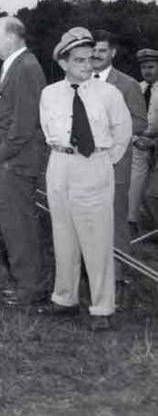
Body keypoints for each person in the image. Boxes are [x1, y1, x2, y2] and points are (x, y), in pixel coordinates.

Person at [40, 27, 131, 331]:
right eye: (78, 60)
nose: (86, 65)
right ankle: (65, 298)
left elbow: (122, 133)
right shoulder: (49, 94)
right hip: (60, 164)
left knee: (97, 238)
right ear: (63, 63)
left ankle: (102, 307)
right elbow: (47, 130)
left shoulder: (108, 93)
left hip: (94, 165)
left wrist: (102, 161)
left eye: (90, 59)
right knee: (63, 234)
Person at [0, 16, 47, 306]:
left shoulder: (27, 68)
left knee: (19, 224)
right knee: (13, 224)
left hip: (13, 162)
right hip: (9, 160)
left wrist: (3, 157)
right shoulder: (17, 66)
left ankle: (31, 287)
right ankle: (27, 282)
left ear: (11, 36)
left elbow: (24, 123)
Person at [90, 30, 147, 266]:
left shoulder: (127, 84)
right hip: (84, 163)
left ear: (112, 52)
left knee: (115, 218)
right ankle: (93, 269)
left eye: (102, 50)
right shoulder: (80, 80)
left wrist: (107, 129)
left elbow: (140, 122)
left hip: (115, 163)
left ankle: (118, 275)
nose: (96, 55)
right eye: (92, 51)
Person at [128, 48, 158, 232]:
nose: (147, 71)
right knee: (134, 182)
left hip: (157, 143)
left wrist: (153, 143)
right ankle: (131, 221)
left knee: (152, 193)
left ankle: (154, 227)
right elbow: (126, 119)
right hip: (139, 141)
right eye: (144, 67)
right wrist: (135, 139)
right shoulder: (137, 88)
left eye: (151, 66)